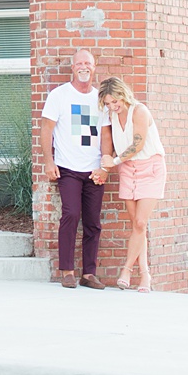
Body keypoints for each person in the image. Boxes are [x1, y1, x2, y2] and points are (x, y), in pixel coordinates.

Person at [39, 48, 110, 289]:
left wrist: (106, 166)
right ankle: (67, 271)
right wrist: (49, 161)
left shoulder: (100, 99)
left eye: (88, 63)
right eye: (79, 63)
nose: (83, 67)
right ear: (72, 67)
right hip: (68, 168)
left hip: (94, 170)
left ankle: (88, 274)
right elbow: (46, 129)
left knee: (93, 222)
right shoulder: (59, 95)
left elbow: (106, 134)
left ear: (94, 67)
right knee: (70, 215)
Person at [97, 75, 167, 292]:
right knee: (137, 224)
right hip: (128, 169)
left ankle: (127, 269)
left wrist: (113, 161)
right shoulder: (111, 115)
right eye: (108, 103)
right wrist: (105, 165)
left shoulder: (140, 111)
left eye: (115, 101)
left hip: (150, 167)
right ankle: (145, 274)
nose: (112, 106)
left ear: (123, 95)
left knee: (140, 223)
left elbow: (137, 145)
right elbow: (109, 143)